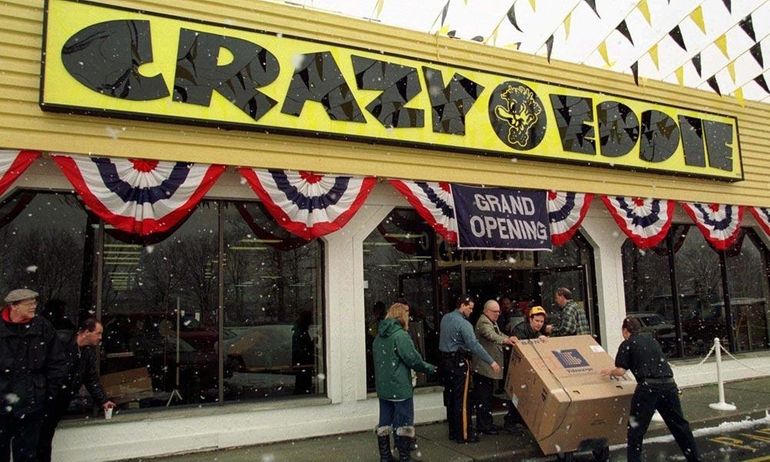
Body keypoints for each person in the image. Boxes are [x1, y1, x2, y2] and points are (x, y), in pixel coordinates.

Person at [601, 317, 700, 462]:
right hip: (669, 385)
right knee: (679, 426)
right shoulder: (652, 341)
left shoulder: (628, 344)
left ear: (625, 331)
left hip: (648, 388)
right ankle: (694, 457)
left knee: (636, 430)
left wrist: (608, 372)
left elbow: (621, 371)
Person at [0, 289, 67, 462]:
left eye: (34, 303)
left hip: (32, 404)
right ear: (13, 306)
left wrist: (47, 393)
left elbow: (57, 363)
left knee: (28, 454)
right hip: (2, 406)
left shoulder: (43, 327)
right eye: (28, 303)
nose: (34, 306)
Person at [38, 317, 116, 462]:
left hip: (58, 400)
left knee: (45, 438)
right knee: (35, 438)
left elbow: (91, 379)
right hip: (44, 398)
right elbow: (44, 367)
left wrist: (103, 401)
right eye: (98, 333)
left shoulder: (87, 353)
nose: (100, 338)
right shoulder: (60, 341)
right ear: (87, 332)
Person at [373, 302, 436, 462]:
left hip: (384, 387)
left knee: (385, 423)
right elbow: (412, 359)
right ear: (402, 316)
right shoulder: (400, 336)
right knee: (404, 423)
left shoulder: (379, 337)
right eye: (406, 313)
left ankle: (385, 457)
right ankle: (404, 457)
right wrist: (430, 368)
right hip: (400, 386)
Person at [439, 295, 501, 444]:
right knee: (463, 400)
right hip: (459, 362)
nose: (471, 311)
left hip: (445, 361)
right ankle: (464, 433)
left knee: (451, 398)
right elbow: (474, 345)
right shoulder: (464, 324)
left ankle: (454, 432)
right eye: (470, 307)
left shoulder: (446, 318)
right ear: (462, 305)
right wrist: (491, 361)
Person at [472, 300, 515, 435]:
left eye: (498, 311)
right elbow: (491, 335)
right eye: (495, 312)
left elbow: (498, 333)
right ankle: (484, 426)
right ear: (487, 311)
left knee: (487, 396)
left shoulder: (490, 321)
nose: (498, 314)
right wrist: (506, 340)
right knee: (483, 397)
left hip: (487, 367)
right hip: (483, 367)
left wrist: (509, 338)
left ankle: (487, 423)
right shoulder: (484, 322)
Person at [503, 305, 548, 432]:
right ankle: (510, 421)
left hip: (526, 368)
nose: (539, 324)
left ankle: (518, 421)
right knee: (517, 394)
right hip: (516, 366)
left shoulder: (536, 332)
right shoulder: (520, 329)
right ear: (530, 319)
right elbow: (524, 348)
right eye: (537, 321)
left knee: (524, 394)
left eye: (541, 321)